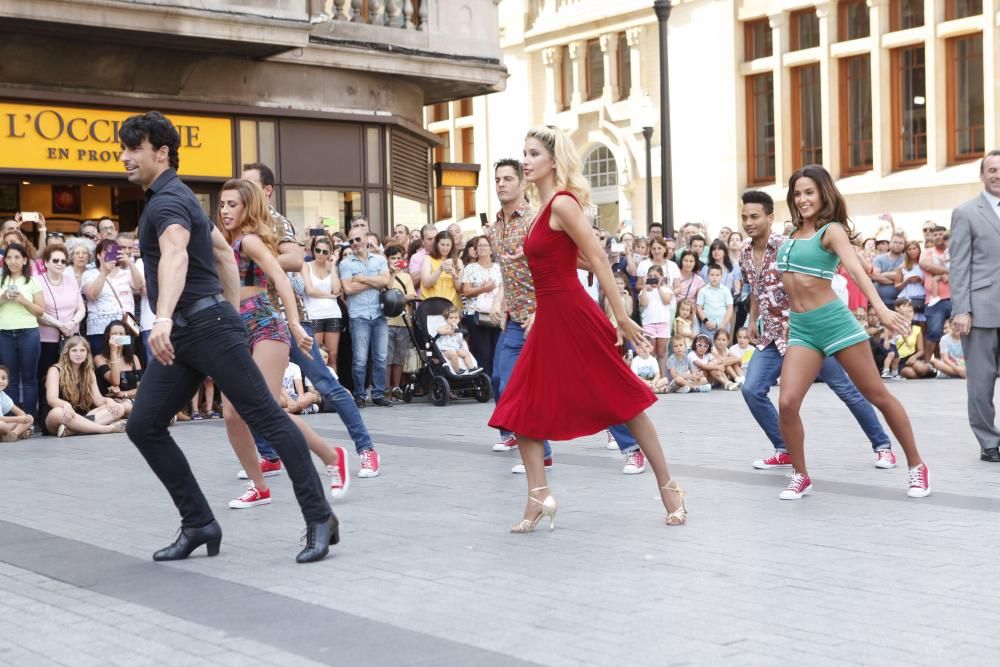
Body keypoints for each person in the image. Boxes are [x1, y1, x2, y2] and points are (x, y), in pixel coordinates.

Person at [119, 111, 337, 563]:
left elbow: (176, 255)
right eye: (124, 149)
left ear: (161, 153)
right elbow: (221, 251)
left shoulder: (167, 203)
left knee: (268, 417)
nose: (125, 158)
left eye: (134, 148)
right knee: (143, 425)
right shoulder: (177, 197)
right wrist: (231, 309)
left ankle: (320, 517)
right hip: (195, 329)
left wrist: (162, 318)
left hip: (201, 327)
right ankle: (199, 523)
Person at [488, 126, 686, 530]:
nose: (525, 161)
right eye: (523, 153)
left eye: (533, 154)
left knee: (623, 403)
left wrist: (621, 316)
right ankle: (538, 497)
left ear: (553, 161)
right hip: (547, 317)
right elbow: (565, 260)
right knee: (518, 407)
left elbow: (598, 259)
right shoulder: (540, 210)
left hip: (575, 315)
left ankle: (670, 487)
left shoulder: (562, 204)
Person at [773, 166, 929, 499]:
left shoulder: (831, 231)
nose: (802, 199)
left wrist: (882, 310)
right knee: (787, 403)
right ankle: (801, 474)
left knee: (877, 395)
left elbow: (856, 270)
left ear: (823, 193)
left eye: (809, 192)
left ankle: (916, 465)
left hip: (834, 323)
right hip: (801, 328)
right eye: (797, 193)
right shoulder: (789, 235)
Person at [740, 188, 902, 474]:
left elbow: (819, 277)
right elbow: (756, 289)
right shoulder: (744, 252)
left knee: (846, 389)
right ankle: (785, 448)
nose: (749, 222)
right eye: (744, 217)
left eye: (755, 216)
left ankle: (882, 445)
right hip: (772, 336)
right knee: (752, 389)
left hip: (808, 331)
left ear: (770, 217)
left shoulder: (789, 243)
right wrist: (752, 321)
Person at [241, 162, 381, 482]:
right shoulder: (240, 225)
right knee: (252, 391)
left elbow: (293, 259)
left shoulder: (275, 222)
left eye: (248, 185)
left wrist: (257, 260)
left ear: (266, 191)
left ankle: (366, 449)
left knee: (325, 384)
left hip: (288, 322)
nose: (242, 191)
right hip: (255, 321)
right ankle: (269, 455)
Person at [216, 178, 350, 509]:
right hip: (235, 330)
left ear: (247, 206)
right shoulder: (224, 242)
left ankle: (332, 456)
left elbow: (280, 278)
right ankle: (259, 487)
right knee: (233, 413)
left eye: (233, 204)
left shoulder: (249, 241)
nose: (225, 210)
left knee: (262, 409)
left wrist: (293, 323)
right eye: (221, 204)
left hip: (265, 326)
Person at [950, 149, 1000, 462]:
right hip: (981, 311)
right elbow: (959, 265)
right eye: (991, 170)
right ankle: (989, 441)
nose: (997, 175)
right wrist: (961, 310)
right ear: (982, 175)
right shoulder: (966, 212)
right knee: (981, 383)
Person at [340, 225, 393, 408]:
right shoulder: (345, 263)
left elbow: (386, 281)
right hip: (359, 315)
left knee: (380, 357)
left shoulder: (379, 260)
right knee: (360, 359)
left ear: (366, 239)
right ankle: (360, 394)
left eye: (357, 239)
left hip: (379, 314)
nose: (354, 244)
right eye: (351, 241)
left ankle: (378, 394)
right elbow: (348, 289)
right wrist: (374, 282)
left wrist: (360, 279)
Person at [37, 244, 85, 421]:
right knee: (46, 377)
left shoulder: (71, 280)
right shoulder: (37, 281)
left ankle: (75, 414)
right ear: (46, 263)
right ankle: (45, 418)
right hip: (47, 338)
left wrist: (72, 322)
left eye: (63, 261)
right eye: (55, 260)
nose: (60, 264)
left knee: (73, 376)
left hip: (72, 337)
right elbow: (38, 312)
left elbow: (81, 308)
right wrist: (59, 324)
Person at [44, 336, 128, 438]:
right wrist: (66, 405)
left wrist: (108, 401)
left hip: (84, 417)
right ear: (67, 353)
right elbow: (52, 399)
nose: (78, 354)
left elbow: (98, 400)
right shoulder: (55, 370)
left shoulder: (89, 372)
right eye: (74, 350)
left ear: (87, 353)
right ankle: (106, 429)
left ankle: (72, 431)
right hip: (60, 417)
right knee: (57, 412)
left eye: (82, 350)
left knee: (118, 408)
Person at [0, 243, 45, 423]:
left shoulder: (33, 281)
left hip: (28, 333)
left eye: (17, 257)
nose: (13, 261)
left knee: (29, 378)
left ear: (25, 260)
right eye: (9, 257)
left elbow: (41, 310)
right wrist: (2, 298)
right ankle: (11, 421)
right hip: (3, 333)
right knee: (8, 379)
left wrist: (23, 300)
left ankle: (29, 420)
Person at [81, 238, 142, 355]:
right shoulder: (89, 274)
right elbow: (92, 295)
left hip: (123, 328)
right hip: (99, 329)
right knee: (102, 359)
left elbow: (139, 285)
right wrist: (104, 272)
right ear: (98, 255)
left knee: (124, 357)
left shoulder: (125, 272)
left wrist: (129, 262)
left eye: (113, 252)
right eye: (106, 252)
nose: (110, 255)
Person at [461, 235, 502, 377]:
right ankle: (485, 383)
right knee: (483, 351)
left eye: (486, 245)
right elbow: (466, 292)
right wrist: (485, 288)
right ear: (476, 250)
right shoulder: (470, 268)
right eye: (480, 246)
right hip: (476, 314)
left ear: (492, 249)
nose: (483, 248)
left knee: (497, 350)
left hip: (497, 314)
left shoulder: (499, 268)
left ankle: (497, 382)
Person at [301, 235, 343, 373]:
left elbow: (337, 289)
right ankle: (315, 392)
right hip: (314, 314)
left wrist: (333, 266)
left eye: (325, 252)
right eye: (318, 250)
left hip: (333, 314)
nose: (320, 254)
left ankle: (333, 392)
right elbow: (310, 290)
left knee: (333, 356)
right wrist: (329, 295)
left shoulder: (331, 267)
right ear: (314, 250)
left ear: (330, 253)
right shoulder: (306, 266)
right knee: (316, 355)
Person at [384, 244, 417, 401]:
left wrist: (400, 298)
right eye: (393, 258)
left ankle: (397, 386)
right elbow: (387, 288)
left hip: (403, 321)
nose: (396, 261)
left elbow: (411, 294)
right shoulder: (384, 275)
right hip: (388, 321)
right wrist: (390, 272)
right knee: (387, 357)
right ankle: (386, 387)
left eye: (399, 258)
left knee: (399, 356)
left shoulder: (407, 276)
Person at [94, 319, 144, 405]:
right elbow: (115, 382)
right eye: (114, 334)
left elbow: (141, 388)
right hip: (110, 403)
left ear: (126, 337)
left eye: (121, 334)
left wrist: (123, 394)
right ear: (108, 337)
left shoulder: (134, 358)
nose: (118, 337)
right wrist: (113, 352)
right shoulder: (99, 358)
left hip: (131, 402)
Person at [920, 225, 951, 362]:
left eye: (941, 234)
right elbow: (927, 265)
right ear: (931, 237)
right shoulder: (927, 252)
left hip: (955, 297)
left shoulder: (953, 250)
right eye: (935, 234)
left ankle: (960, 363)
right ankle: (928, 364)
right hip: (934, 300)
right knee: (933, 332)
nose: (938, 236)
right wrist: (948, 272)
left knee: (960, 332)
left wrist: (938, 273)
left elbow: (960, 266)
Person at [639, 264, 673, 373]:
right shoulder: (644, 291)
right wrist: (644, 287)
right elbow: (643, 303)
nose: (653, 278)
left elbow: (666, 301)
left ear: (661, 277)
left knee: (661, 353)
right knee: (651, 352)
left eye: (655, 276)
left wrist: (658, 287)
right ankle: (652, 376)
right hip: (649, 324)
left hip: (663, 324)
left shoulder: (667, 290)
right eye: (650, 275)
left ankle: (662, 377)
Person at [421, 231, 463, 309]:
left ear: (452, 246)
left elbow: (459, 288)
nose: (445, 248)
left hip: (451, 307)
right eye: (442, 245)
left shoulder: (458, 261)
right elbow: (426, 284)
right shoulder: (428, 259)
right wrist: (440, 269)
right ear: (436, 245)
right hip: (431, 306)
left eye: (448, 245)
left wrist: (454, 275)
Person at [695, 265, 734, 340]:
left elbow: (730, 308)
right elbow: (699, 308)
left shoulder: (726, 290)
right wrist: (706, 321)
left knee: (721, 346)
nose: (714, 277)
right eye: (712, 275)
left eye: (717, 275)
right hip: (707, 325)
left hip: (723, 325)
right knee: (707, 346)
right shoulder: (703, 291)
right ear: (708, 276)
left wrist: (724, 323)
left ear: (721, 276)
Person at [435, 305, 478, 372]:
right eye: (451, 318)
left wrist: (458, 333)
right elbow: (438, 330)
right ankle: (458, 370)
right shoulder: (446, 326)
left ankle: (471, 368)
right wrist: (448, 332)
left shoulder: (458, 328)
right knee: (453, 354)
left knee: (466, 353)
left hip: (456, 348)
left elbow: (460, 340)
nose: (454, 319)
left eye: (456, 318)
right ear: (446, 319)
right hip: (446, 350)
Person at [871, 232, 905, 309]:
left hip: (901, 304)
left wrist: (884, 274)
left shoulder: (906, 260)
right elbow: (875, 276)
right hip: (880, 302)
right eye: (895, 242)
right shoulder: (879, 259)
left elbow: (906, 277)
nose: (898, 244)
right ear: (890, 243)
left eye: (901, 243)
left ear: (904, 245)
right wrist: (898, 281)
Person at [0, 365, 34, 441]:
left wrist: (23, 419)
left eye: (3, 378)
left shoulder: (2, 395)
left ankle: (13, 434)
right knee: (1, 425)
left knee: (29, 418)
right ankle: (17, 433)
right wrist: (18, 419)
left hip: (4, 426)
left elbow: (20, 412)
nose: (1, 381)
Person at [408, 224, 438, 294]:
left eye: (436, 238)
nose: (434, 242)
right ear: (422, 241)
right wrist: (432, 269)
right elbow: (414, 283)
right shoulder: (416, 257)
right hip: (424, 301)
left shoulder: (445, 254)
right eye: (430, 239)